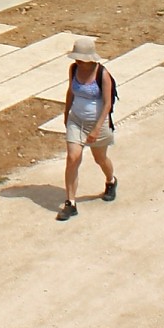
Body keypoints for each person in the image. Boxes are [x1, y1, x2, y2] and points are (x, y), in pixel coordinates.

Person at [57, 35, 117, 221]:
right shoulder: (73, 69)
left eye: (80, 59)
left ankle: (111, 181)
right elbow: (70, 91)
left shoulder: (103, 74)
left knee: (100, 159)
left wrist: (96, 129)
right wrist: (67, 114)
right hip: (76, 121)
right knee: (73, 158)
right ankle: (70, 203)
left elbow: (107, 104)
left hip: (96, 123)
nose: (77, 61)